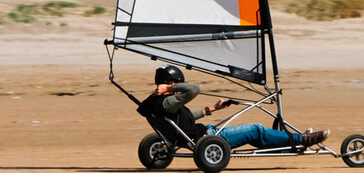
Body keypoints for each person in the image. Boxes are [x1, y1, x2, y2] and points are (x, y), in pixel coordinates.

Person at [137, 64, 329, 149]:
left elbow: (182, 122)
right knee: (255, 130)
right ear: (169, 83)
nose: (178, 90)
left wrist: (211, 109)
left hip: (202, 134)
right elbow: (196, 88)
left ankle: (288, 143)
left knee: (255, 137)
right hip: (210, 138)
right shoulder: (167, 102)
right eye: (175, 85)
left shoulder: (155, 105)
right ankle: (302, 139)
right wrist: (172, 87)